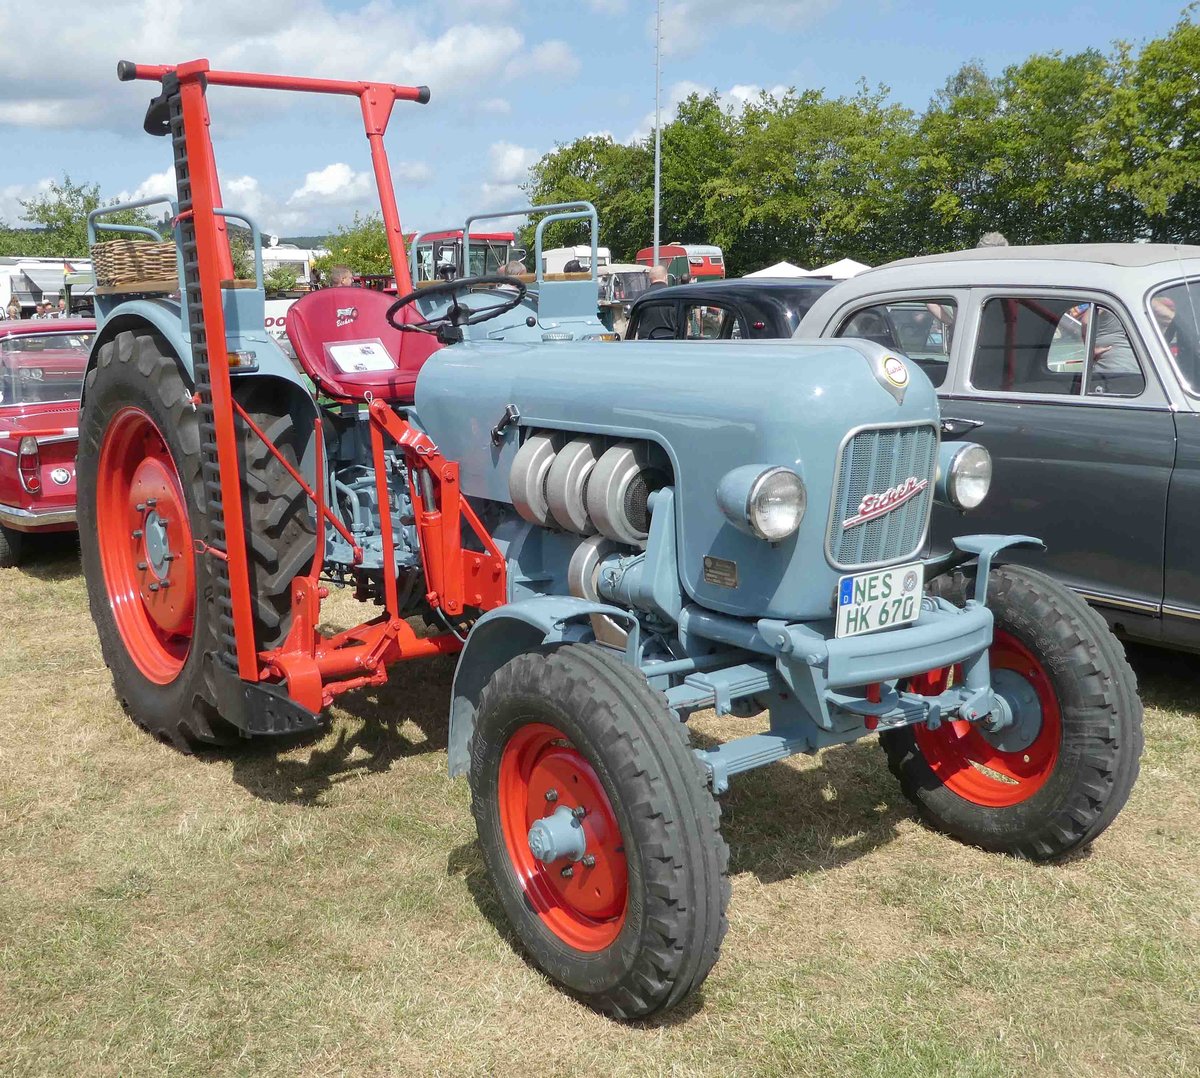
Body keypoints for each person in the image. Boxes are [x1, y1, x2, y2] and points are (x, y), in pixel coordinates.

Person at [632, 265, 675, 340]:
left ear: (650, 279)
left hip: (646, 341)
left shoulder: (641, 296)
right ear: (665, 277)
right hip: (671, 340)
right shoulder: (675, 295)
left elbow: (631, 319)